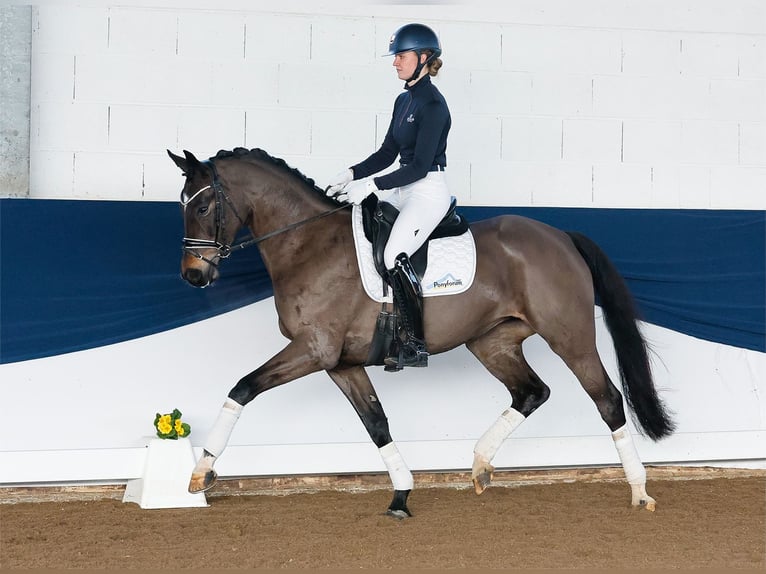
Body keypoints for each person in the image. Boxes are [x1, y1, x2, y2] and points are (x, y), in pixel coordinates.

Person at [326, 23, 452, 370]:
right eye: (396, 57)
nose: (395, 63)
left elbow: (419, 167)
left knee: (395, 253)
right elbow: (386, 154)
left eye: (402, 56)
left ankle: (413, 342)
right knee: (358, 229)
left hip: (426, 190)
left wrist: (373, 186)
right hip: (400, 186)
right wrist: (351, 174)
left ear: (424, 58)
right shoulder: (403, 100)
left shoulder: (434, 105)